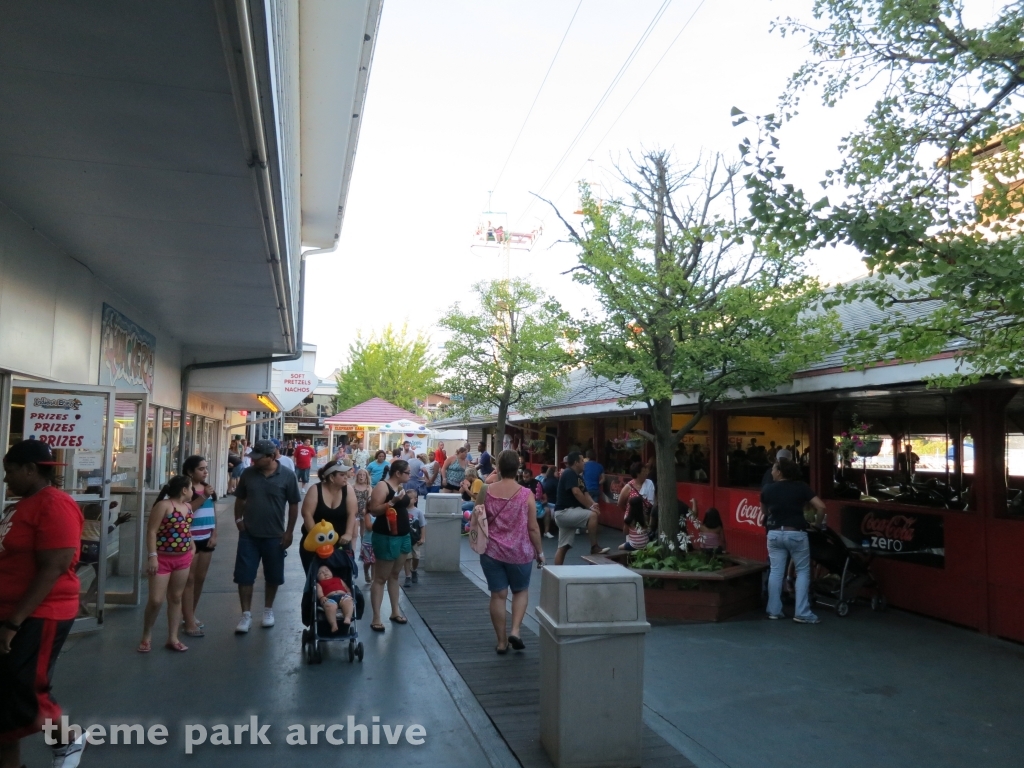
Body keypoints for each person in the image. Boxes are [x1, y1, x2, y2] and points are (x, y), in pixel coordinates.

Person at [0, 440, 88, 768]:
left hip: (40, 613)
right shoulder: (20, 505)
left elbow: (54, 566)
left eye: (10, 472)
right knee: (8, 693)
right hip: (13, 611)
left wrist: (13, 623)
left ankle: (67, 739)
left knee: (26, 691)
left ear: (30, 469)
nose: (6, 479)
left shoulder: (54, 504)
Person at [478, 450, 545, 654]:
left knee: (498, 595)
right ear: (518, 468)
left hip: (491, 551)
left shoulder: (485, 490)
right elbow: (533, 527)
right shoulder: (526, 494)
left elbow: (477, 516)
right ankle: (515, 630)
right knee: (520, 591)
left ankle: (501, 641)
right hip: (520, 552)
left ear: (497, 467)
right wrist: (540, 552)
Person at [232, 440, 300, 633]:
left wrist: (289, 532)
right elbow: (241, 498)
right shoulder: (248, 474)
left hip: (275, 536)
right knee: (244, 576)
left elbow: (294, 504)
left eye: (258, 458)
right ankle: (245, 614)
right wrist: (238, 520)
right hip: (249, 534)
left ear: (271, 457)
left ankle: (268, 609)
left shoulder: (287, 476)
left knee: (273, 576)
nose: (253, 461)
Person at [761, 458, 826, 623]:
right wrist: (817, 524)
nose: (772, 472)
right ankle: (802, 612)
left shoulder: (767, 489)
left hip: (775, 533)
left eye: (774, 469)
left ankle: (774, 611)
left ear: (780, 472)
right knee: (803, 571)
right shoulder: (801, 487)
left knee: (776, 572)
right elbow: (821, 507)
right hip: (796, 533)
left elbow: (765, 512)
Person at [138, 475, 195, 653]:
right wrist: (152, 556)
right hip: (162, 559)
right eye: (191, 487)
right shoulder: (163, 506)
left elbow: (186, 529)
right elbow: (152, 531)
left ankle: (173, 637)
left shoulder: (188, 507)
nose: (193, 491)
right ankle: (147, 634)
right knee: (156, 600)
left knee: (176, 597)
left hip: (183, 558)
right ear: (184, 490)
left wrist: (192, 547)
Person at [367, 459, 413, 631]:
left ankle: (395, 611)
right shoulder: (382, 486)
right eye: (407, 472)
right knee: (380, 578)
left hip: (402, 535)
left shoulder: (400, 487)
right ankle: (376, 617)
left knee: (395, 575)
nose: (410, 474)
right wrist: (392, 502)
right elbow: (374, 509)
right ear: (398, 473)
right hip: (386, 536)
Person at [299, 460, 358, 577]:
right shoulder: (315, 490)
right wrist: (316, 539)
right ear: (331, 477)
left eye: (346, 474)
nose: (346, 477)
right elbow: (307, 514)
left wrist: (348, 534)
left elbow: (353, 513)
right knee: (316, 581)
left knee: (341, 580)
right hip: (316, 543)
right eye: (342, 475)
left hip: (340, 541)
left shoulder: (348, 489)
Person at [552, 452, 610, 565]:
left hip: (565, 513)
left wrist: (594, 504)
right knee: (592, 515)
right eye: (582, 460)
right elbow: (577, 492)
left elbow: (585, 493)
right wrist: (590, 507)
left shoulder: (579, 477)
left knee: (564, 546)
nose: (584, 463)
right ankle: (594, 547)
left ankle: (556, 572)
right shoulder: (569, 473)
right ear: (576, 462)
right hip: (565, 512)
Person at [181, 455, 216, 638]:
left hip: (206, 537)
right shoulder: (186, 490)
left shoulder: (207, 488)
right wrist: (203, 496)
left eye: (206, 468)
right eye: (201, 469)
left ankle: (190, 614)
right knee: (190, 579)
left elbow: (212, 511)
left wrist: (214, 533)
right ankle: (188, 619)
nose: (205, 471)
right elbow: (186, 511)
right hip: (190, 538)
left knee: (200, 578)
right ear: (190, 471)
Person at [315, 565, 354, 634]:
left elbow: (346, 587)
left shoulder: (338, 579)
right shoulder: (319, 584)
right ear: (317, 577)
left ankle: (347, 617)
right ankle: (333, 624)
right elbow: (319, 592)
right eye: (321, 573)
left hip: (343, 595)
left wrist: (348, 592)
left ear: (331, 572)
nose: (324, 573)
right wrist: (321, 597)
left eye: (326, 570)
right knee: (329, 607)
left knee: (348, 602)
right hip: (330, 598)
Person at [353, 469, 375, 584]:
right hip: (354, 512)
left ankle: (364, 550)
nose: (361, 477)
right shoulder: (353, 486)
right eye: (360, 475)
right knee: (354, 534)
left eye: (363, 475)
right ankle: (352, 553)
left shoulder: (368, 487)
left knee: (363, 532)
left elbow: (370, 500)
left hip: (364, 511)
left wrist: (366, 510)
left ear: (366, 477)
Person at [403, 489, 426, 587]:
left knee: (416, 557)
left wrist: (422, 537)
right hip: (405, 538)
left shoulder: (418, 512)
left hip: (415, 539)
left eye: (410, 498)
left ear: (415, 499)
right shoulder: (402, 511)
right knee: (407, 558)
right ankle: (407, 576)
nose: (408, 500)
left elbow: (422, 525)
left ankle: (414, 570)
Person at [540, 465, 558, 538]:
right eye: (557, 471)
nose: (558, 472)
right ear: (553, 472)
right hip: (553, 504)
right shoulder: (555, 481)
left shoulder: (545, 480)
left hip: (546, 503)